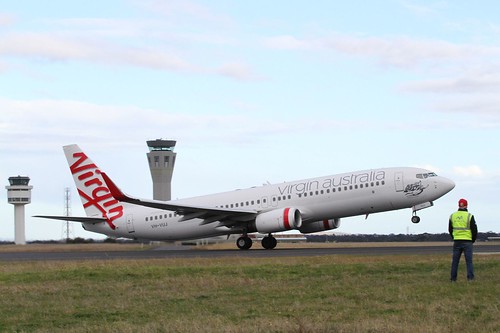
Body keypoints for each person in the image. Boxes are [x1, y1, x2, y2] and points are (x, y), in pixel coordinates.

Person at [449, 198, 478, 282]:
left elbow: (450, 229)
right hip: (467, 241)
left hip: (457, 241)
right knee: (469, 261)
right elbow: (474, 230)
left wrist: (454, 237)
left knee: (455, 262)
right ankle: (470, 279)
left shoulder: (452, 216)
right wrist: (473, 239)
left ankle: (453, 279)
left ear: (458, 205)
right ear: (466, 205)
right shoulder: (469, 216)